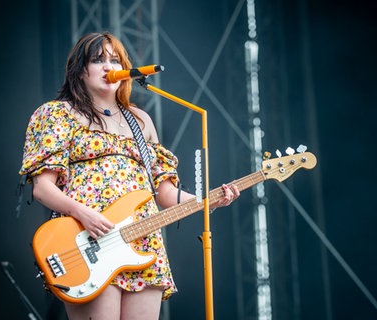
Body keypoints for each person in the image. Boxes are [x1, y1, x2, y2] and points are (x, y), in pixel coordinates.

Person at [18, 31, 240, 320]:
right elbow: (43, 189)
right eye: (98, 60)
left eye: (115, 60)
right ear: (79, 71)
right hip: (89, 239)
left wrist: (207, 201)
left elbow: (164, 193)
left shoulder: (140, 121)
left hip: (143, 242)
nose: (109, 67)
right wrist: (83, 213)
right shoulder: (57, 115)